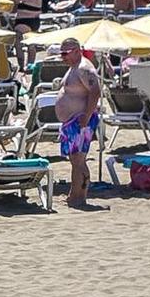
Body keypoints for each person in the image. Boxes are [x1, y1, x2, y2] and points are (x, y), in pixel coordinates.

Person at [55, 37, 102, 208]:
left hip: (81, 120)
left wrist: (86, 117)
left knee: (78, 159)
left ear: (76, 50)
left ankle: (79, 198)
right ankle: (74, 195)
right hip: (73, 121)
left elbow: (95, 92)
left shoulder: (84, 68)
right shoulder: (74, 68)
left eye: (65, 53)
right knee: (75, 160)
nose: (62, 57)